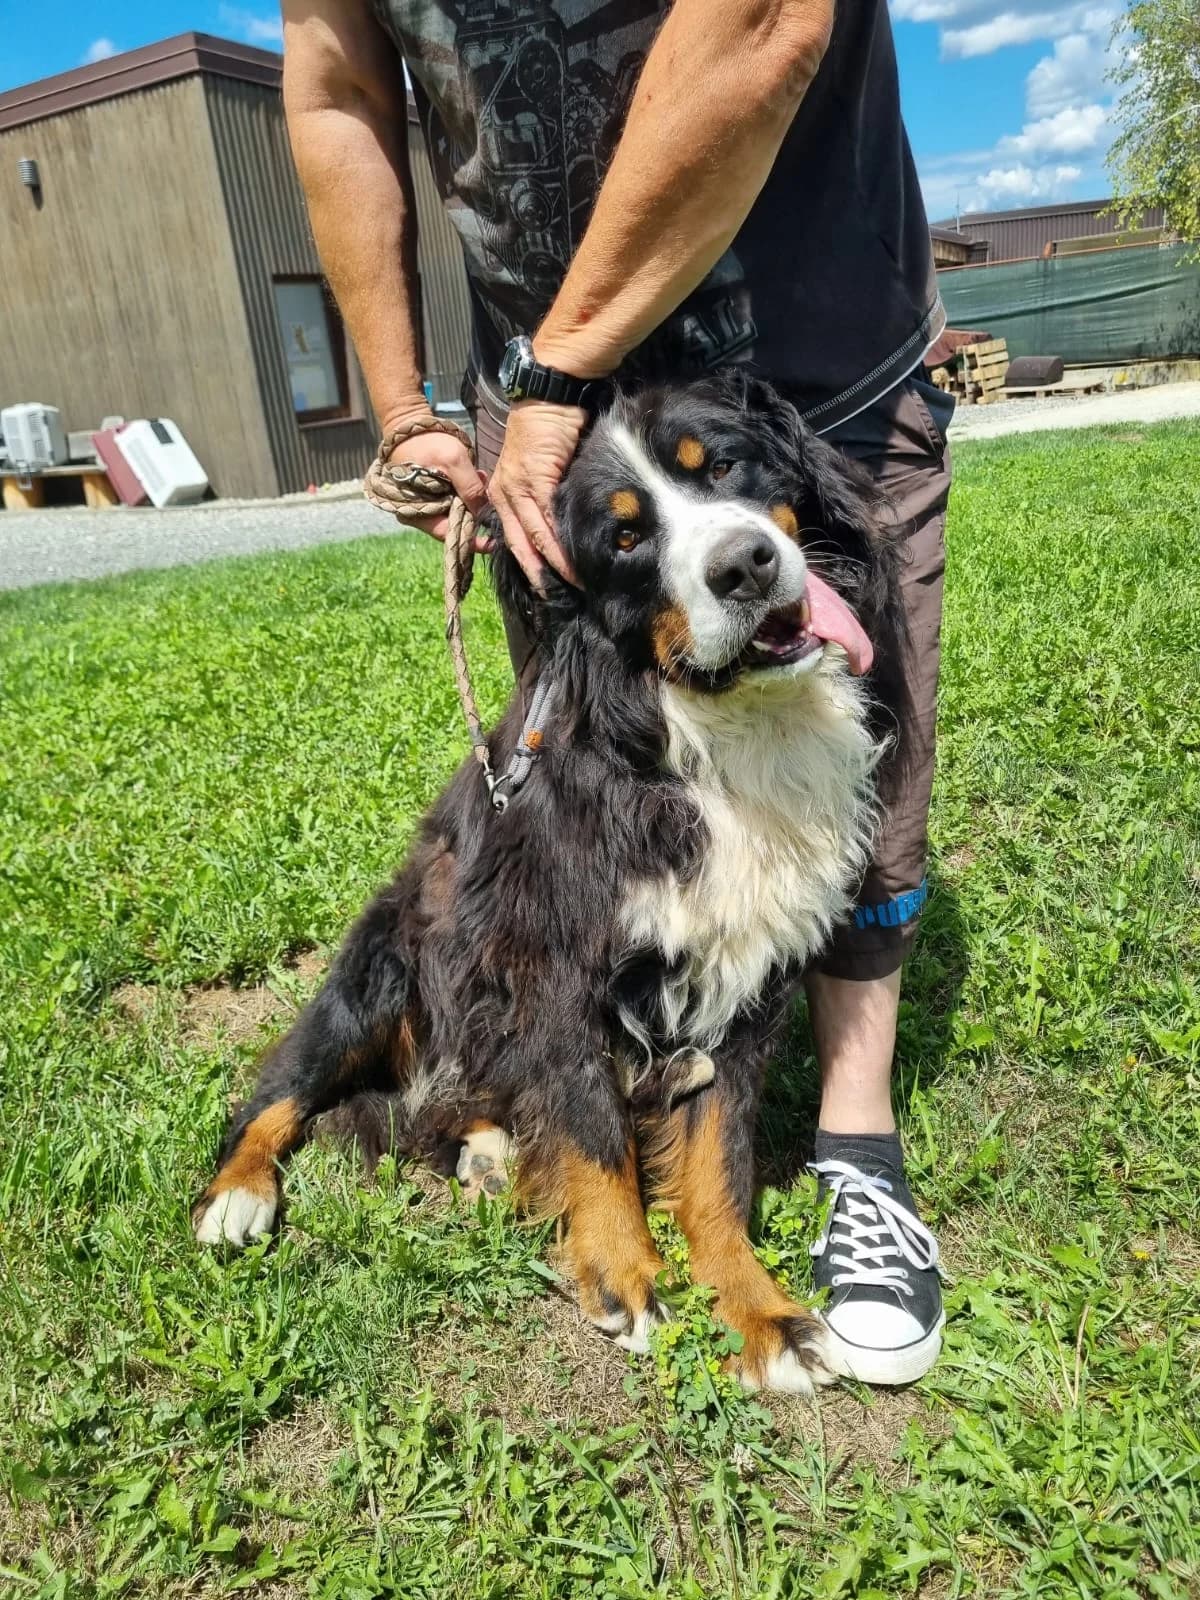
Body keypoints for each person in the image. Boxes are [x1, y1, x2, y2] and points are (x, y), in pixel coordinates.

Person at [281, 0, 951, 1386]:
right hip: (535, 419)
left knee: (841, 825)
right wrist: (404, 407)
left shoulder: (761, 501)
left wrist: (565, 367)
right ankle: (576, 1172)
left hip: (804, 335)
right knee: (577, 878)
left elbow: (765, 25)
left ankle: (852, 1139)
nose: (730, 545)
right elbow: (335, 84)